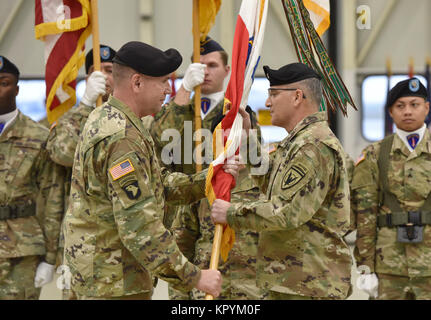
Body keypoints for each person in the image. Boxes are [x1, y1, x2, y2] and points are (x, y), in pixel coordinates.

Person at [63, 41, 242, 300]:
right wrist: (196, 277)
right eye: (161, 82)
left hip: (108, 275)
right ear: (137, 83)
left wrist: (212, 177)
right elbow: (140, 226)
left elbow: (159, 185)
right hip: (113, 282)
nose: (168, 90)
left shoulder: (114, 119)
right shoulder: (122, 137)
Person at [211, 63, 353, 300]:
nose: (267, 103)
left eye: (274, 94)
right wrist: (247, 137)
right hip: (295, 280)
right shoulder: (297, 142)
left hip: (309, 283)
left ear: (298, 96)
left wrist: (232, 213)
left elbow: (286, 211)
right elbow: (270, 180)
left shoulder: (312, 146)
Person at [150, 37, 266, 300]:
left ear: (227, 71)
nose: (206, 71)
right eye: (200, 66)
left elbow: (256, 163)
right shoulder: (180, 109)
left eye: (212, 65)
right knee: (181, 293)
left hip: (216, 210)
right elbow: (158, 138)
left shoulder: (238, 114)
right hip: (180, 213)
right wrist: (184, 90)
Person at [353, 77, 431, 300]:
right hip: (389, 266)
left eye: (414, 104)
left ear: (426, 108)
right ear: (390, 112)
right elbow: (365, 215)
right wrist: (365, 266)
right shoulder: (376, 154)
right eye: (400, 106)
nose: (407, 111)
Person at [0, 56, 64, 299]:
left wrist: (50, 257)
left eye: (4, 83)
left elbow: (53, 198)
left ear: (17, 89)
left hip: (22, 253)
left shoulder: (39, 137)